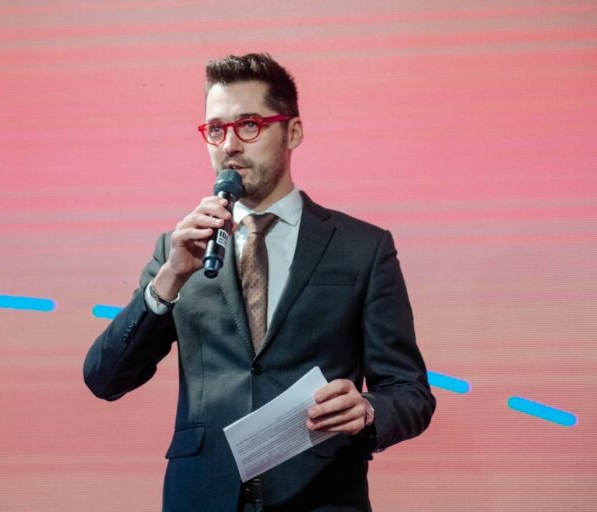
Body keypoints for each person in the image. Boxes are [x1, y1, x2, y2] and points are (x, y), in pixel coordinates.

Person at [84, 53, 435, 512]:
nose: (230, 145)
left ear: (293, 132)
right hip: (201, 498)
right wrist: (169, 278)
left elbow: (410, 392)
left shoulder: (362, 248)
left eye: (249, 125)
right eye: (216, 129)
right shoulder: (181, 250)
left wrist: (368, 410)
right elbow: (105, 378)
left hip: (321, 496)